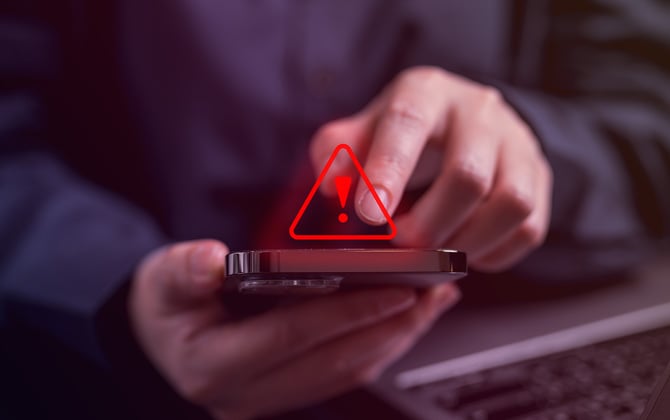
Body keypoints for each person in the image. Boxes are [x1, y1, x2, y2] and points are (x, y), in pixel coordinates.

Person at [1, 1, 668, 419]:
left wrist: (533, 155)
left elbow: (649, 117)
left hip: (480, 334)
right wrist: (114, 294)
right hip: (103, 374)